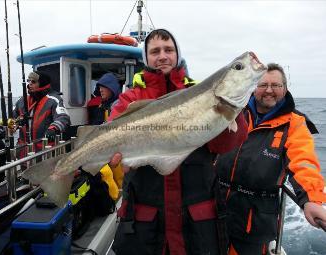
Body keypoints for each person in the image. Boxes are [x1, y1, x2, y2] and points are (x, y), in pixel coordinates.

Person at [108, 28, 249, 255]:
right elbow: (113, 128)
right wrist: (116, 153)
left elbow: (223, 145)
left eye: (168, 49)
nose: (162, 55)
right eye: (154, 51)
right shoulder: (131, 98)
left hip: (194, 221)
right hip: (146, 219)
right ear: (146, 58)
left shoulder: (200, 92)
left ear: (177, 54)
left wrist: (230, 111)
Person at [214, 63, 326, 255]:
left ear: (285, 88)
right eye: (263, 85)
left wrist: (311, 199)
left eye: (276, 85)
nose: (269, 90)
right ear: (253, 87)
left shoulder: (295, 123)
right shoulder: (234, 111)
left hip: (255, 219)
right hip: (215, 205)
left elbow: (303, 161)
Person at [13, 71, 70, 153]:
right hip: (22, 152)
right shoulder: (22, 100)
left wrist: (54, 128)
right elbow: (12, 118)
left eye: (33, 81)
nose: (30, 84)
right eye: (28, 81)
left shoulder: (54, 100)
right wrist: (2, 128)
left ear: (42, 83)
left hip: (45, 152)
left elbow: (63, 117)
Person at [86, 73, 123, 201]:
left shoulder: (119, 105)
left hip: (117, 147)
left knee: (119, 173)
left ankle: (121, 198)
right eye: (99, 87)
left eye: (104, 86)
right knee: (105, 172)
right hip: (101, 147)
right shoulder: (101, 107)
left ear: (112, 88)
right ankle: (114, 199)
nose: (100, 90)